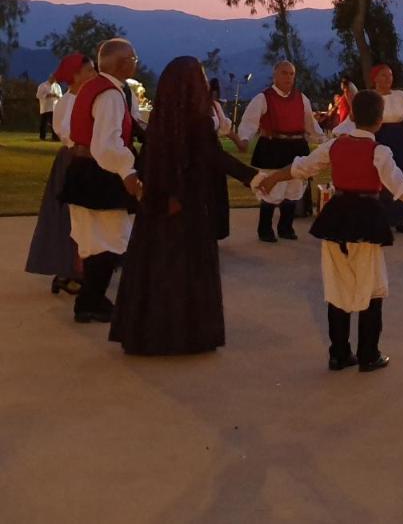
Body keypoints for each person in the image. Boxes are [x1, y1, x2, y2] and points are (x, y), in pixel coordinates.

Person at [261, 90, 403, 372]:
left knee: (337, 286)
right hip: (366, 221)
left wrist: (272, 178)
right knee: (371, 287)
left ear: (351, 115)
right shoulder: (379, 152)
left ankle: (339, 354)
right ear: (379, 121)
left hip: (336, 219)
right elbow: (401, 187)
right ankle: (368, 354)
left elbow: (301, 167)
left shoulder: (334, 146)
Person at [109, 57, 266, 354]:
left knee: (156, 268)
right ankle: (182, 334)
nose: (205, 83)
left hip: (158, 205)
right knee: (185, 271)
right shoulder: (197, 122)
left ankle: (147, 332)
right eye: (201, 77)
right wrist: (253, 177)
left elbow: (150, 162)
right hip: (188, 205)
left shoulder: (160, 120)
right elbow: (213, 156)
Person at [59, 39, 141, 324]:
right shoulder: (111, 95)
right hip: (100, 173)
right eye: (133, 59)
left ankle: (89, 302)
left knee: (93, 239)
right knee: (114, 238)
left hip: (81, 170)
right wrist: (128, 172)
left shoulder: (90, 88)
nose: (135, 63)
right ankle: (91, 301)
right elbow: (107, 144)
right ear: (122, 63)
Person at [332, 63, 403, 234]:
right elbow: (355, 119)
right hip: (377, 136)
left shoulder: (400, 96)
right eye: (384, 75)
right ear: (375, 79)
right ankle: (380, 218)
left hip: (399, 138)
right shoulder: (369, 97)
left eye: (390, 75)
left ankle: (401, 219)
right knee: (378, 178)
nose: (388, 79)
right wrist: (341, 133)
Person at [25, 53, 94, 295]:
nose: (93, 75)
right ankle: (69, 269)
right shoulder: (66, 102)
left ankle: (83, 267)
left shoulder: (90, 98)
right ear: (75, 75)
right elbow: (65, 132)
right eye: (89, 71)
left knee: (87, 216)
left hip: (87, 158)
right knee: (69, 216)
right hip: (73, 159)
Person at [237, 60, 324, 242]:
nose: (288, 77)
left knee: (294, 189)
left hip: (297, 147)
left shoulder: (301, 98)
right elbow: (249, 121)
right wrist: (244, 138)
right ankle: (265, 229)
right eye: (284, 73)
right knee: (272, 189)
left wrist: (322, 139)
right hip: (273, 147)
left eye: (291, 74)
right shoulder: (263, 98)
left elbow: (309, 123)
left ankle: (286, 227)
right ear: (275, 75)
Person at [36, 72, 62, 141]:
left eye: (55, 79)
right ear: (50, 78)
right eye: (53, 78)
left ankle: (55, 137)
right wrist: (46, 95)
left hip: (54, 107)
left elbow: (61, 96)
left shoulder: (57, 86)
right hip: (45, 108)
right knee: (43, 123)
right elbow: (38, 95)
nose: (54, 80)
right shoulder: (42, 85)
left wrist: (56, 95)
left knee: (54, 123)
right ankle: (42, 137)